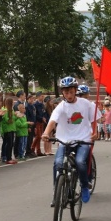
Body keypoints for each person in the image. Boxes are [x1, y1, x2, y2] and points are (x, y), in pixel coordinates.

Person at [42, 76, 97, 204]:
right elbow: (52, 121)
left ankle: (84, 186)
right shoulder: (60, 106)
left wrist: (95, 132)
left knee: (80, 162)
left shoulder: (85, 104)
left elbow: (94, 119)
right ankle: (57, 191)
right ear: (63, 93)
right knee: (58, 163)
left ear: (75, 90)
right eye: (66, 92)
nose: (68, 94)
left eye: (71, 91)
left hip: (82, 139)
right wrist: (45, 133)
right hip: (65, 140)